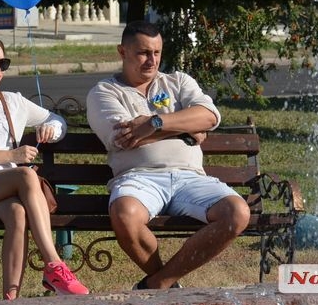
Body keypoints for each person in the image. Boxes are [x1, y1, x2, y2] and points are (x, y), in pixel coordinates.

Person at [86, 20, 250, 290]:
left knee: (237, 213)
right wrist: (186, 129)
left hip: (190, 178)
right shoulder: (104, 92)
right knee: (125, 214)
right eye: (143, 53)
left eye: (157, 52)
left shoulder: (178, 81)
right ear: (122, 52)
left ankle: (159, 283)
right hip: (139, 179)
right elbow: (124, 138)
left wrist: (154, 123)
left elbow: (209, 117)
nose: (152, 60)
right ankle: (166, 284)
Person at [0, 32, 89, 300]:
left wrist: (49, 129)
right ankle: (54, 265)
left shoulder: (13, 101)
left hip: (4, 187)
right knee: (25, 174)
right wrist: (11, 154)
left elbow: (58, 121)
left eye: (3, 63)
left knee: (18, 215)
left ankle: (11, 300)